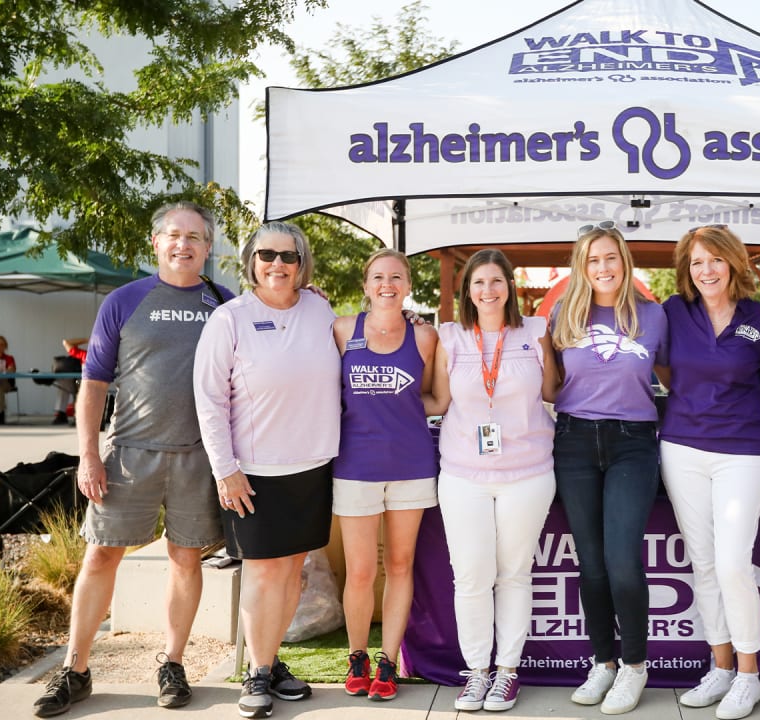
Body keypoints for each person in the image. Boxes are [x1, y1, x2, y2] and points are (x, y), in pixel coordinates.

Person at [33, 202, 234, 718]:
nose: (183, 244)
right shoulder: (124, 300)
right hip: (128, 456)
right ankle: (74, 670)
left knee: (186, 559)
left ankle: (171, 663)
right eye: (173, 235)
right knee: (100, 555)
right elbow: (93, 383)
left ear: (208, 248)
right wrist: (88, 456)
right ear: (156, 243)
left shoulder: (226, 304)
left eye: (194, 237)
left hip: (198, 461)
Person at [194, 221, 340, 720]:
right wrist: (225, 470)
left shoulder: (320, 309)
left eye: (288, 256)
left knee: (293, 573)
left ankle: (271, 660)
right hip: (252, 473)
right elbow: (209, 400)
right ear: (251, 261)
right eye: (266, 255)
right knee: (262, 572)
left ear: (302, 264)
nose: (277, 264)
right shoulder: (230, 318)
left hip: (313, 466)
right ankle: (256, 674)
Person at [426, 248, 557, 712]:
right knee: (471, 578)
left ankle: (506, 673)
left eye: (496, 281)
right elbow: (438, 401)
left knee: (514, 575)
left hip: (528, 473)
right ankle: (477, 672)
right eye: (478, 283)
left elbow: (554, 391)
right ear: (467, 291)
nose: (487, 290)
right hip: (463, 474)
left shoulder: (535, 333)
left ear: (510, 287)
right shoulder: (451, 337)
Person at [546, 220, 668, 715]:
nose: (602, 267)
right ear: (582, 265)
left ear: (624, 261)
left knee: (621, 559)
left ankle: (635, 665)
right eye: (593, 259)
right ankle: (604, 661)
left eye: (610, 258)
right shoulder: (562, 313)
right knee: (590, 562)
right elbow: (548, 382)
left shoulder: (654, 316)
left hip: (633, 443)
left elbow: (680, 376)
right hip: (573, 440)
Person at [659, 225, 760, 720]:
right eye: (696, 262)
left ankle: (749, 675)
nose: (705, 270)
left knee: (733, 561)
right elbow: (664, 369)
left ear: (733, 263)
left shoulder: (759, 318)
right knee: (703, 563)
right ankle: (721, 668)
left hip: (743, 451)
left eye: (714, 260)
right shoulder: (673, 311)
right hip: (682, 447)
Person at [331, 249, 438, 703]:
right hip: (355, 466)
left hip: (411, 466)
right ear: (365, 285)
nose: (387, 284)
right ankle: (357, 656)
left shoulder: (426, 336)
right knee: (359, 571)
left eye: (396, 276)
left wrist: (401, 412)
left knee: (399, 565)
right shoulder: (340, 330)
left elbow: (437, 399)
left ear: (409, 284)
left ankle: (388, 661)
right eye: (378, 277)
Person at [52, 337, 88, 425]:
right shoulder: (86, 354)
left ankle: (79, 416)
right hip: (80, 382)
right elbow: (66, 342)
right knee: (67, 383)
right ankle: (61, 414)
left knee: (81, 387)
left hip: (95, 385)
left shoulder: (106, 356)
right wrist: (87, 339)